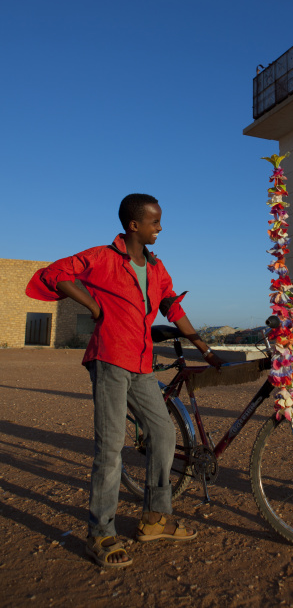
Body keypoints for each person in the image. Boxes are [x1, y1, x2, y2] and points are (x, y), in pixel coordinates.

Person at [26, 193, 223, 567]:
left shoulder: (157, 266)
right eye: (154, 222)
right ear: (134, 225)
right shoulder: (102, 258)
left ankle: (154, 519)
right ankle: (100, 534)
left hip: (142, 363)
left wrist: (203, 346)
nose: (160, 228)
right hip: (110, 359)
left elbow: (171, 306)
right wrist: (93, 306)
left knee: (163, 434)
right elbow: (54, 274)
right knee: (111, 446)